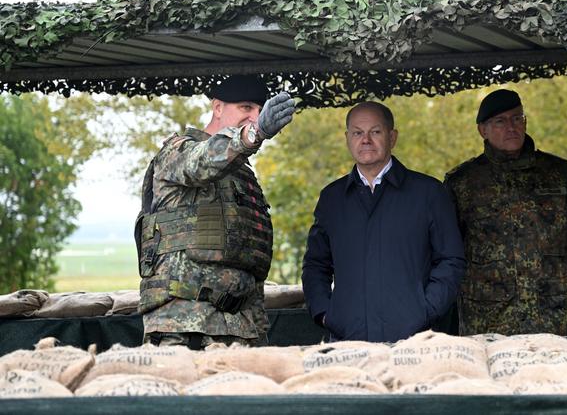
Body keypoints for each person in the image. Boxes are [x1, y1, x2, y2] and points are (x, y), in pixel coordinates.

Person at [134, 74, 296, 349]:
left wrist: (258, 333)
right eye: (246, 107)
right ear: (218, 107)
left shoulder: (242, 176)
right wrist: (254, 134)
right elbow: (203, 161)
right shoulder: (179, 151)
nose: (255, 116)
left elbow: (247, 265)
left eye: (260, 110)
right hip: (185, 325)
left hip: (239, 327)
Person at [302, 101, 466, 343]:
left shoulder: (429, 193)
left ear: (392, 137)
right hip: (348, 339)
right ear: (348, 138)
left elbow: (451, 260)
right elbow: (316, 264)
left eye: (375, 132)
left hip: (414, 339)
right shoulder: (332, 198)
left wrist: (426, 310)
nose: (365, 139)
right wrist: (326, 313)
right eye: (358, 132)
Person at [444, 89, 567, 337]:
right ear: (482, 130)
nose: (512, 127)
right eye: (500, 121)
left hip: (552, 313)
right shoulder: (463, 182)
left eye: (517, 118)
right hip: (489, 317)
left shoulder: (556, 171)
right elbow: (450, 250)